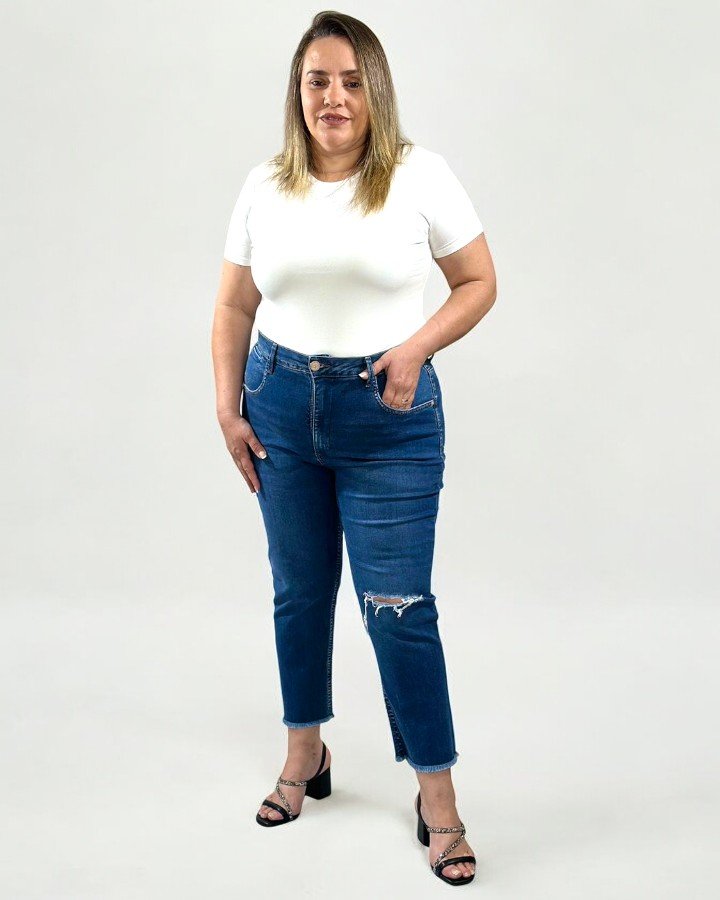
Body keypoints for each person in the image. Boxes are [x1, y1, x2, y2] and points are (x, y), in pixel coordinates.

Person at [211, 11, 496, 886]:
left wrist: (416, 347)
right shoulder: (266, 185)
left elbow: (479, 281)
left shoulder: (419, 175)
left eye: (348, 81)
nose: (332, 97)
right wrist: (227, 407)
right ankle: (306, 752)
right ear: (296, 93)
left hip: (388, 417)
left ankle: (438, 798)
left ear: (375, 90)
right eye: (316, 81)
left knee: (398, 609)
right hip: (281, 409)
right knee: (299, 593)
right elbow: (234, 305)